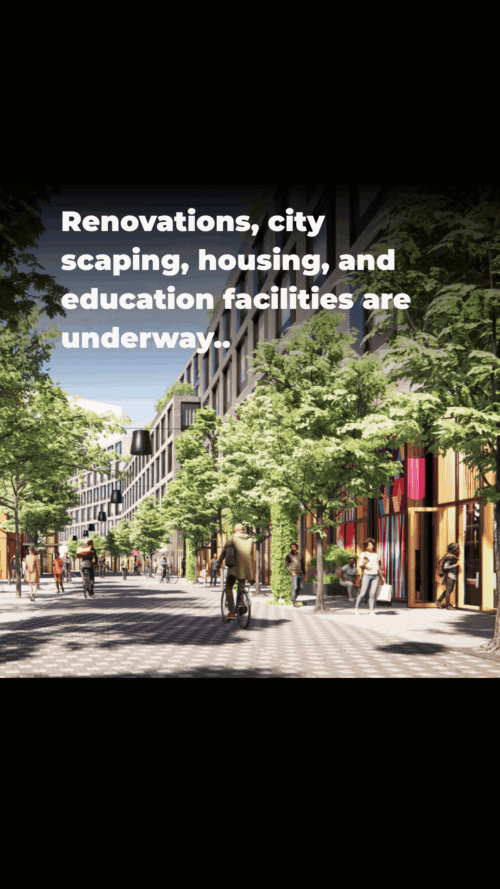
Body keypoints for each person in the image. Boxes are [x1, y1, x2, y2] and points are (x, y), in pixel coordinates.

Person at [217, 524, 255, 621]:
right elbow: (251, 554)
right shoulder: (250, 539)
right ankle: (241, 602)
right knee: (241, 586)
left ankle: (232, 612)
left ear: (235, 530)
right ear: (243, 530)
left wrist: (218, 563)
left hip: (234, 568)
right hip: (246, 569)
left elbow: (224, 551)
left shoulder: (232, 538)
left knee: (229, 587)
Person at [355, 539, 386, 616]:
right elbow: (360, 566)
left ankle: (371, 610)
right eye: (368, 545)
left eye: (371, 545)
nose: (370, 547)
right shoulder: (363, 554)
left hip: (376, 575)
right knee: (362, 593)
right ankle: (356, 608)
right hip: (367, 575)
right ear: (366, 546)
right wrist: (364, 563)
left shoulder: (376, 555)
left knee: (372, 594)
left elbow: (378, 566)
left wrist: (382, 577)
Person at [436, 543, 459, 609]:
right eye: (457, 549)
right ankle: (447, 605)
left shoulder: (450, 556)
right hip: (450, 575)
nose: (458, 550)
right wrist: (455, 565)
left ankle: (439, 601)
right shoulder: (450, 557)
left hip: (451, 575)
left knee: (449, 590)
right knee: (449, 590)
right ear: (454, 549)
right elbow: (445, 567)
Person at [285, 542, 306, 607]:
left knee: (301, 587)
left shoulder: (300, 555)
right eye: (291, 547)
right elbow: (286, 566)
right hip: (294, 574)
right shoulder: (288, 556)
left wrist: (305, 574)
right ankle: (294, 602)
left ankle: (293, 598)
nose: (292, 548)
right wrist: (291, 572)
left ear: (297, 547)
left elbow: (303, 565)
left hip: (300, 573)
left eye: (294, 547)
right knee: (294, 588)